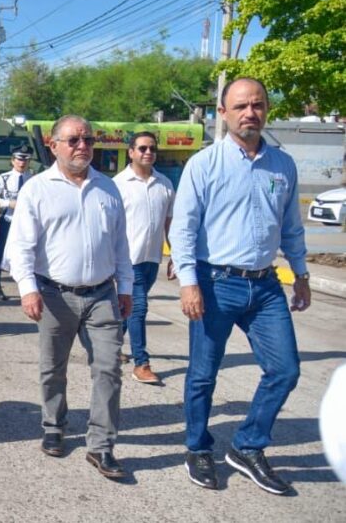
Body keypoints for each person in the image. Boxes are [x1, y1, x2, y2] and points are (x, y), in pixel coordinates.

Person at [170, 77, 311, 495]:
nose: (251, 113)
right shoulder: (205, 164)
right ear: (224, 113)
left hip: (265, 287)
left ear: (268, 109)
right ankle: (198, 448)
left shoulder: (282, 166)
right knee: (202, 375)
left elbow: (291, 227)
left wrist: (300, 275)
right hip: (215, 284)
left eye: (258, 105)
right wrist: (189, 282)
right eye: (241, 106)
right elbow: (184, 228)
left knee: (285, 370)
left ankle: (248, 445)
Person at [6, 114, 133, 480]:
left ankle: (101, 445)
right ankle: (54, 424)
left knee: (109, 367)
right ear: (53, 145)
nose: (82, 147)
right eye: (74, 140)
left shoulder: (108, 188)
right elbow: (21, 248)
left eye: (88, 140)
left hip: (102, 295)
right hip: (54, 294)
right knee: (53, 368)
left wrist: (125, 288)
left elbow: (121, 246)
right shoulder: (37, 189)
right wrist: (28, 290)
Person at [112, 132, 174, 384]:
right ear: (131, 152)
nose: (148, 152)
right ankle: (142, 363)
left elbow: (171, 223)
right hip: (128, 259)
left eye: (152, 148)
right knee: (139, 308)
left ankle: (111, 347)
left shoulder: (165, 184)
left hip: (151, 258)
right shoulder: (118, 184)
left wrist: (176, 255)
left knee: (130, 309)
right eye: (142, 148)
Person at [0, 145, 33, 301]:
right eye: (19, 159)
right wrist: (9, 203)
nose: (22, 163)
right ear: (12, 160)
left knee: (30, 254)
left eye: (25, 160)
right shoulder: (3, 178)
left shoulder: (34, 179)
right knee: (0, 254)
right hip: (8, 220)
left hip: (27, 222)